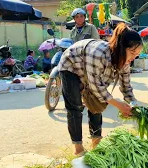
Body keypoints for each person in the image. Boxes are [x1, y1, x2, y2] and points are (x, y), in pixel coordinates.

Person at [58, 23, 142, 156]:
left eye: (137, 55)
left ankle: (96, 142)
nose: (133, 58)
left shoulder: (124, 61)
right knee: (75, 107)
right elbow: (96, 87)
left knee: (96, 106)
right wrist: (119, 105)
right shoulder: (99, 53)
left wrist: (134, 105)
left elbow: (126, 86)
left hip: (89, 71)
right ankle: (78, 147)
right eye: (132, 53)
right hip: (71, 66)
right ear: (121, 48)